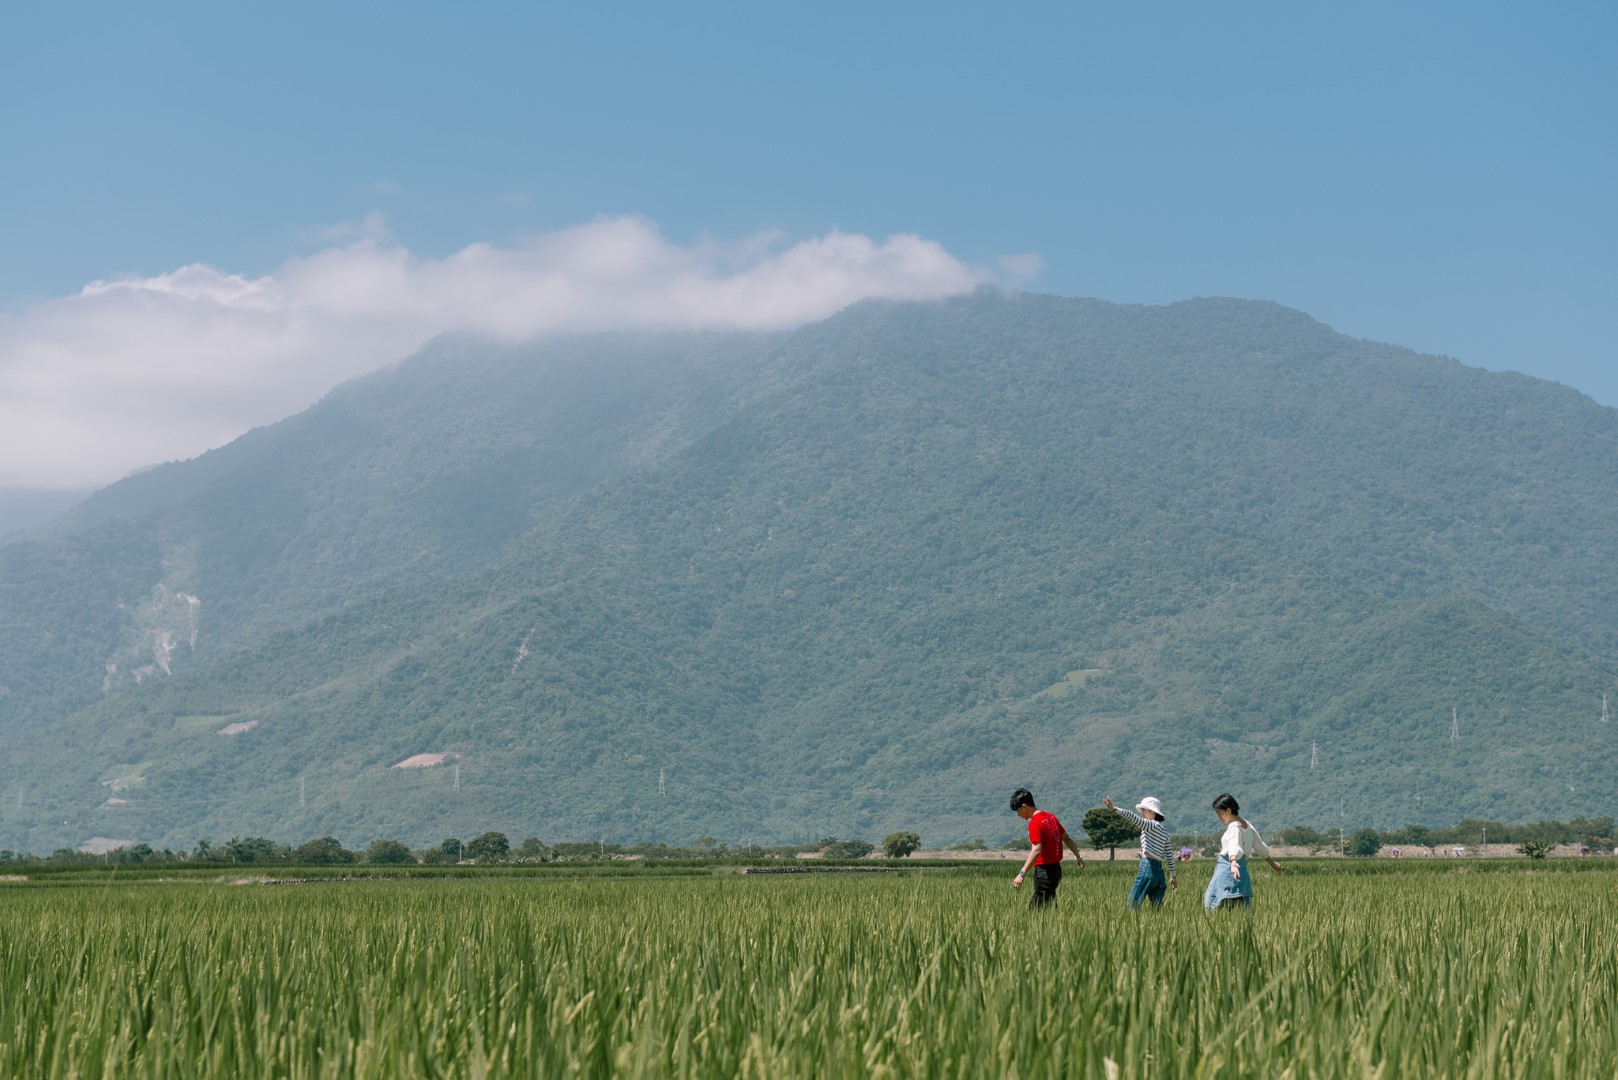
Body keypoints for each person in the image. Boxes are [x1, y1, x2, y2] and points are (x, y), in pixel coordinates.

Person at [1203, 793, 1283, 911]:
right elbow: (1259, 846)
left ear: (1228, 810)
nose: (1219, 817)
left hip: (1227, 868)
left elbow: (1233, 845)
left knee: (1213, 902)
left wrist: (1233, 861)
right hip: (1241, 869)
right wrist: (1273, 864)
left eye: (1220, 813)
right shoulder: (1247, 824)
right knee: (1239, 905)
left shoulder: (1233, 827)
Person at [1009, 788, 1085, 908]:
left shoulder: (1035, 823)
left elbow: (1036, 849)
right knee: (1049, 907)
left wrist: (1022, 874)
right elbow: (1067, 838)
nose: (1018, 815)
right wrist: (1078, 856)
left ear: (1024, 807)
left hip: (1044, 873)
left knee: (1034, 912)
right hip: (1056, 871)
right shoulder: (1051, 817)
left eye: (1018, 811)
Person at [1102, 795, 1177, 908]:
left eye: (1144, 810)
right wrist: (1173, 876)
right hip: (1160, 875)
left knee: (1132, 906)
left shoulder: (1150, 825)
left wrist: (1114, 809)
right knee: (1157, 912)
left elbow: (1132, 817)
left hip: (1148, 868)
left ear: (1152, 812)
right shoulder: (1165, 832)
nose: (1142, 813)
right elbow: (1169, 856)